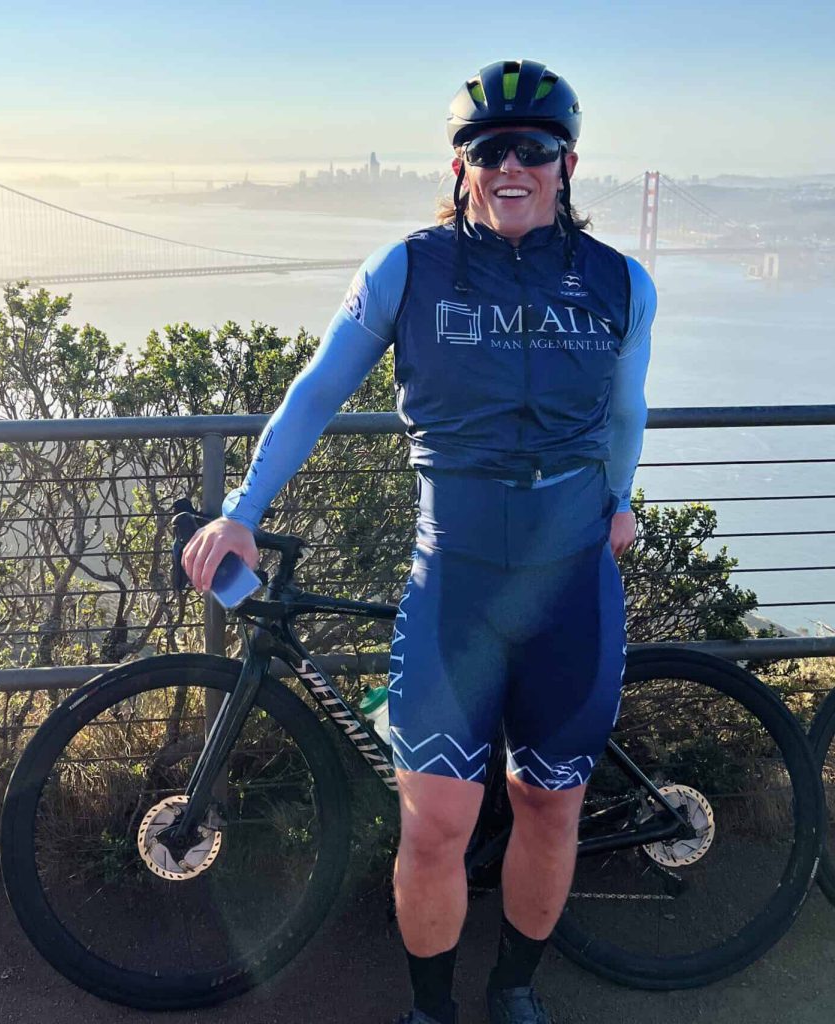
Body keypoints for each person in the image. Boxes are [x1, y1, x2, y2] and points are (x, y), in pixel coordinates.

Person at [181, 58, 655, 1024]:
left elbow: (626, 407)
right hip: (458, 583)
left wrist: (622, 498)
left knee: (550, 808)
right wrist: (244, 508)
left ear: (567, 162)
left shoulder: (621, 282)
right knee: (436, 825)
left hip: (572, 584)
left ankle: (514, 989)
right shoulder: (406, 268)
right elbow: (314, 394)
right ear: (461, 165)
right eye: (489, 149)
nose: (510, 165)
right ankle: (432, 1009)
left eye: (533, 148)